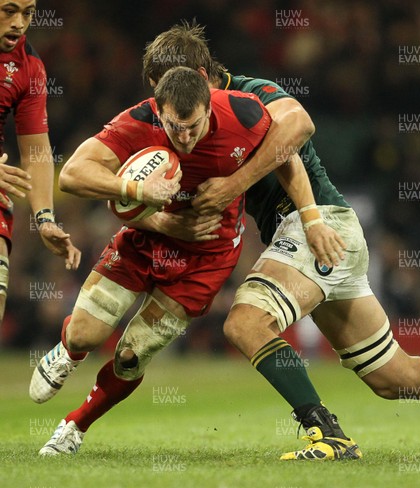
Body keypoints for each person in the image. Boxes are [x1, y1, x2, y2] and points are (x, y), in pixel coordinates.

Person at [32, 22, 420, 462]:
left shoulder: (249, 95)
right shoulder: (178, 123)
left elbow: (297, 129)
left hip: (319, 226)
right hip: (310, 237)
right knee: (393, 375)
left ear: (200, 75)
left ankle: (326, 435)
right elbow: (106, 184)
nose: (161, 103)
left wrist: (255, 194)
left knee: (245, 322)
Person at [30, 66, 272, 456]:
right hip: (146, 239)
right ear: (158, 110)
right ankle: (69, 351)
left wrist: (296, 209)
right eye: (176, 127)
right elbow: (72, 176)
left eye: (194, 126)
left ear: (209, 105)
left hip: (208, 256)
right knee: (84, 335)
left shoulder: (246, 115)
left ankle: (74, 425)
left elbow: (293, 140)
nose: (185, 137)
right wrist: (137, 189)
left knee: (130, 356)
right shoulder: (138, 121)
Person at [0, 0, 80, 326]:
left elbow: (36, 150)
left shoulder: (28, 67)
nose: (19, 23)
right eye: (9, 11)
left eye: (28, 12)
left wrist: (44, 217)